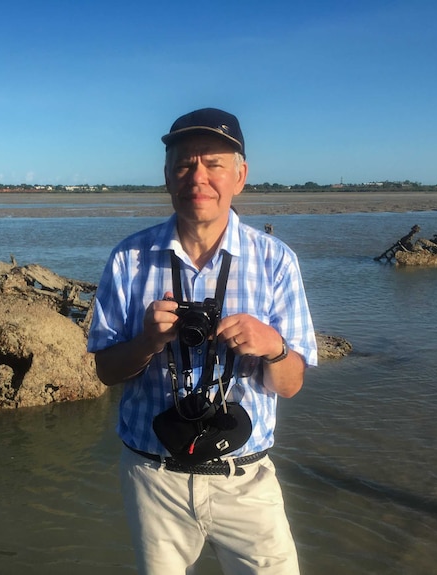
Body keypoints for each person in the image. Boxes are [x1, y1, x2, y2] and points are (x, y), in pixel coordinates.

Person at [87, 108, 317, 575]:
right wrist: (148, 342)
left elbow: (290, 385)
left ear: (240, 175)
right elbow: (106, 372)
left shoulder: (276, 261)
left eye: (213, 164)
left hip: (245, 477)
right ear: (168, 176)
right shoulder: (129, 259)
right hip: (154, 478)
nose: (198, 177)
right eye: (184, 165)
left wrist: (272, 346)